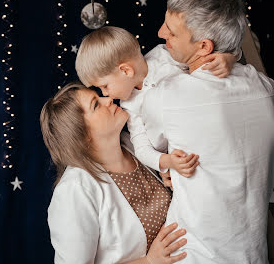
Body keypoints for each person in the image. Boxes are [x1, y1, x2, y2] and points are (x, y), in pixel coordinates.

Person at [134, 0, 274, 264]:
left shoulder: (167, 96)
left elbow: (149, 142)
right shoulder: (266, 87)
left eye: (171, 31)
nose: (159, 33)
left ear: (205, 47)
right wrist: (234, 54)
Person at [40, 82, 188, 264]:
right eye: (96, 105)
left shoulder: (134, 147)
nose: (108, 99)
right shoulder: (75, 189)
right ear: (82, 134)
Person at [76, 25, 237, 176]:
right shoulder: (129, 106)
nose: (107, 95)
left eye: (105, 86)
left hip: (214, 118)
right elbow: (141, 147)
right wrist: (168, 161)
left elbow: (203, 56)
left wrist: (228, 58)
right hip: (188, 149)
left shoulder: (165, 56)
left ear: (126, 70)